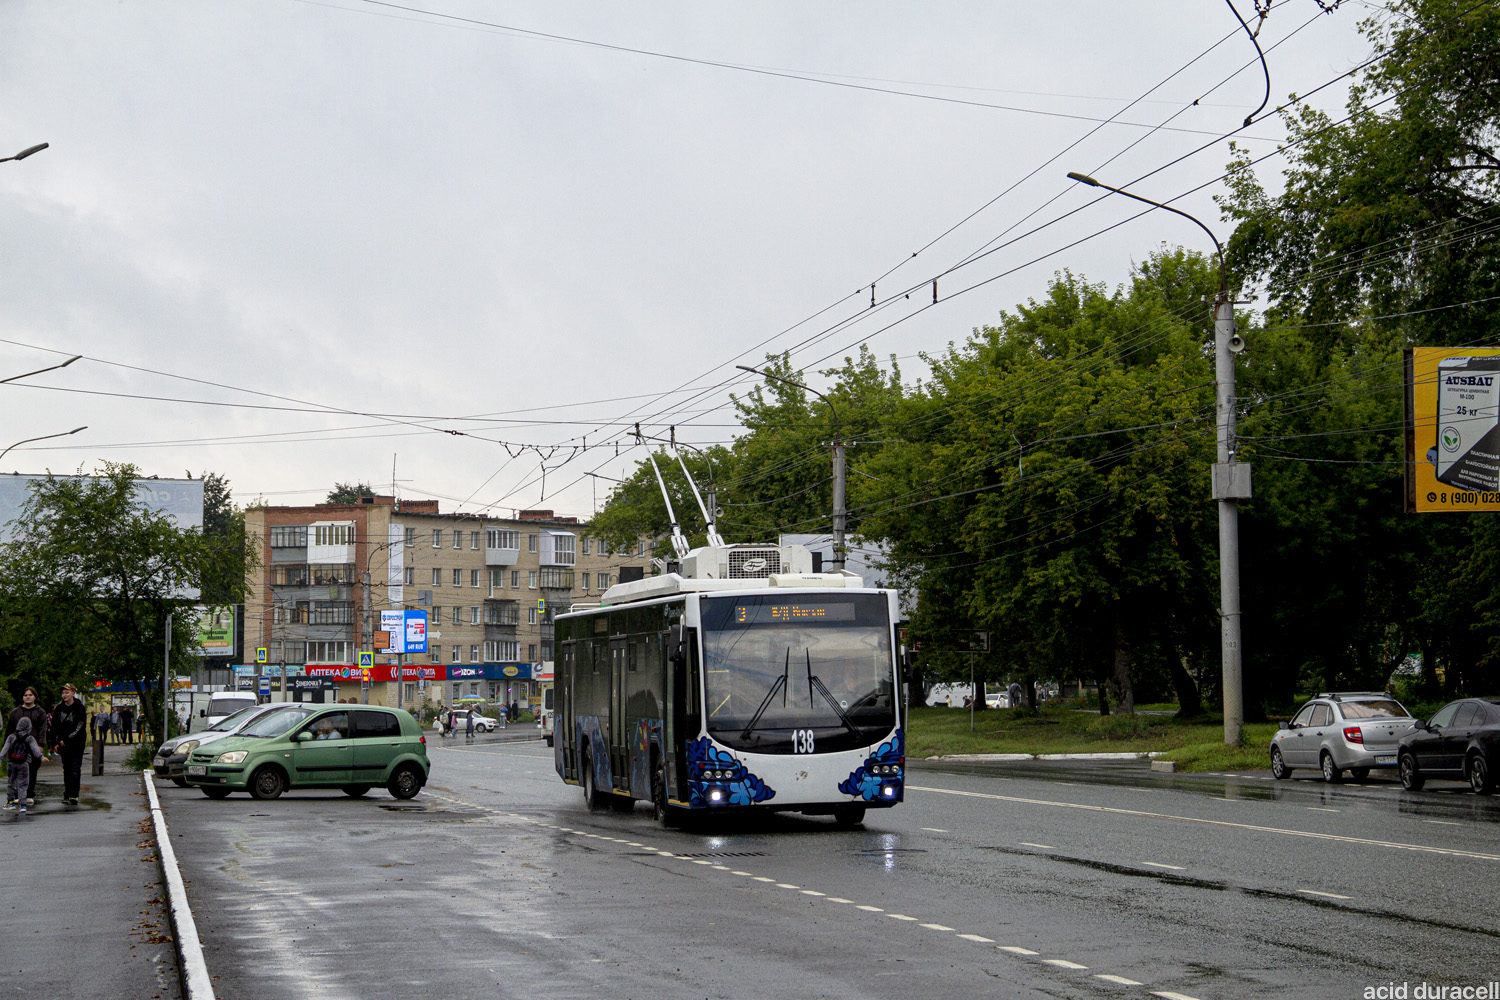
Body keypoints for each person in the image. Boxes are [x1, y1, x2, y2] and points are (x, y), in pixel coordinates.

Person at [7, 687, 49, 806]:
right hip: (17, 746)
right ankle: (16, 795)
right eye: (25, 695)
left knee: (32, 770)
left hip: (33, 745)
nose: (27, 697)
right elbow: (9, 730)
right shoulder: (15, 712)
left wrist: (41, 744)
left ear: (35, 697)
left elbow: (43, 729)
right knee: (15, 770)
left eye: (30, 695)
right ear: (22, 697)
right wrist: (7, 745)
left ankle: (29, 794)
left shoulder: (40, 712)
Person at [49, 683, 88, 806]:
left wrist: (67, 739)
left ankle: (74, 794)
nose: (64, 695)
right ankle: (67, 793)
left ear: (73, 692)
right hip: (62, 744)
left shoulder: (79, 708)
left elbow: (80, 726)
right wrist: (54, 742)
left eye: (67, 692)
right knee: (67, 769)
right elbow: (54, 727)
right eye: (63, 693)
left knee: (75, 768)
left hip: (76, 743)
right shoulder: (59, 709)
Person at [4, 716, 48, 815]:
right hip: (24, 764)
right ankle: (22, 805)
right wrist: (41, 757)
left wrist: (0, 758)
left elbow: (5, 749)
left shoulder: (11, 737)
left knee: (11, 782)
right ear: (29, 727)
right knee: (23, 784)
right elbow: (35, 749)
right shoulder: (30, 738)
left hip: (11, 763)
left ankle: (11, 803)